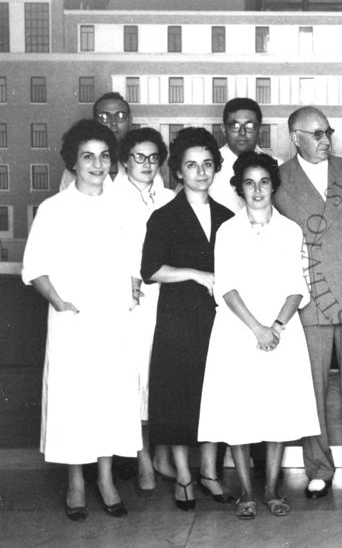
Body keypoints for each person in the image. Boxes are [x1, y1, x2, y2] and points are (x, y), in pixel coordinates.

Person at [22, 119, 141, 521]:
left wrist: (131, 288)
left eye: (104, 156)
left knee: (109, 398)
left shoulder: (121, 205)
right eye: (88, 156)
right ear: (72, 162)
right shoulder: (54, 210)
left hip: (112, 321)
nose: (97, 163)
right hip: (72, 320)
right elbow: (35, 267)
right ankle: (76, 482)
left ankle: (105, 479)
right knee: (74, 402)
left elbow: (134, 261)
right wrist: (59, 302)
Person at [198, 151, 320, 520]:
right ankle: (246, 493)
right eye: (249, 183)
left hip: (281, 332)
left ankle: (271, 489)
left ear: (273, 186)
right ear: (239, 188)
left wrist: (277, 327)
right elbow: (227, 287)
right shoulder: (228, 231)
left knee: (276, 410)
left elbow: (298, 286)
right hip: (238, 332)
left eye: (263, 181)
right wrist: (257, 328)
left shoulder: (291, 230)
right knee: (240, 412)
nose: (257, 190)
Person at [273, 106, 342, 499]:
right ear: (296, 138)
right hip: (309, 298)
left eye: (328, 132)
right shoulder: (279, 179)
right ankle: (318, 468)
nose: (326, 140)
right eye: (317, 134)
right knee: (313, 388)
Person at [140, 127, 234, 511]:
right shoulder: (164, 217)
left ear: (216, 169)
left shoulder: (229, 217)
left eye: (207, 164)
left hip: (219, 321)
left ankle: (209, 473)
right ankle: (183, 477)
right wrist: (195, 274)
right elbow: (150, 270)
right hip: (178, 321)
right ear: (177, 171)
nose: (200, 172)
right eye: (191, 165)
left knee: (214, 397)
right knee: (178, 399)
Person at [113, 127, 177, 495]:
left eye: (154, 158)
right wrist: (128, 277)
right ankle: (141, 461)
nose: (147, 164)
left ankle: (161, 455)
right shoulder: (111, 197)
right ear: (124, 160)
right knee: (132, 380)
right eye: (139, 157)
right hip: (128, 301)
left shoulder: (169, 197)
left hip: (163, 300)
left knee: (161, 379)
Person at [208, 97, 272, 212]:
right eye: (235, 126)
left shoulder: (275, 166)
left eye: (250, 126)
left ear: (260, 130)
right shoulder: (207, 167)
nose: (242, 133)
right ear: (223, 129)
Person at [60, 93, 131, 191]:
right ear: (95, 121)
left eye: (120, 115)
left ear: (130, 121)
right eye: (105, 117)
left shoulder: (144, 160)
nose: (113, 123)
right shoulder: (77, 166)